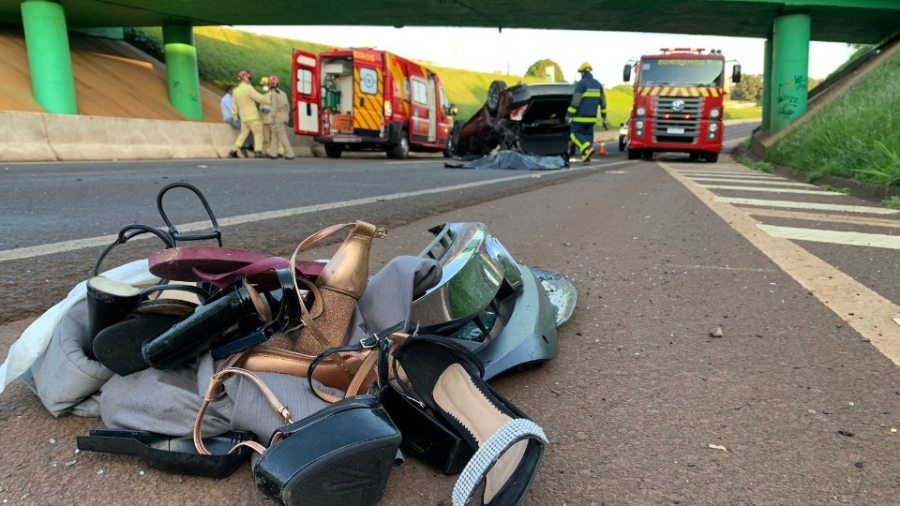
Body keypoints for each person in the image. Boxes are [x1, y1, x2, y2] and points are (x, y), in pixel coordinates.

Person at [566, 62, 608, 165]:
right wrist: (604, 118)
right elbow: (603, 103)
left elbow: (575, 102)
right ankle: (586, 158)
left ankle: (587, 149)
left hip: (579, 118)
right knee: (588, 136)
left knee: (574, 134)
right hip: (592, 118)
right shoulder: (598, 85)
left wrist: (568, 115)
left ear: (583, 72)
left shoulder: (581, 84)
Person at [229, 70, 270, 158]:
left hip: (243, 118)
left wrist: (235, 117)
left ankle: (233, 150)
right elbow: (259, 98)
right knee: (258, 133)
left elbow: (234, 106)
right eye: (248, 77)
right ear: (244, 78)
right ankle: (258, 151)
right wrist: (269, 100)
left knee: (243, 134)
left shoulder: (236, 91)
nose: (249, 79)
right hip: (253, 116)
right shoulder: (248, 88)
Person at [266, 75, 295, 160]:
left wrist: (272, 118)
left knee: (282, 136)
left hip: (278, 116)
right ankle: (273, 153)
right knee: (275, 135)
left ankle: (290, 153)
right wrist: (287, 117)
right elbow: (288, 106)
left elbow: (274, 107)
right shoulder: (283, 93)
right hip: (284, 115)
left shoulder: (274, 94)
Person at [221, 84, 253, 158]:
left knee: (248, 128)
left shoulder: (232, 98)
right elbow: (233, 110)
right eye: (234, 90)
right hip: (230, 119)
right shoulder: (227, 99)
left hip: (234, 118)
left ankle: (247, 145)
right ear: (229, 91)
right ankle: (245, 145)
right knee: (246, 128)